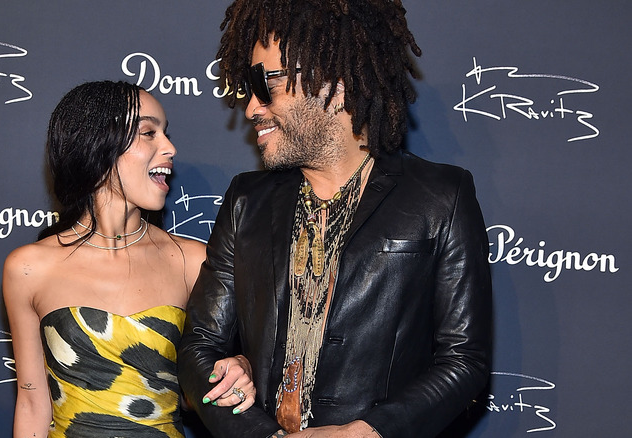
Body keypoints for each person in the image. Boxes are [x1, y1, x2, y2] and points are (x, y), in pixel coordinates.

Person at [178, 1, 492, 437]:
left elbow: (464, 362)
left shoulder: (440, 197)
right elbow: (199, 347)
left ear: (334, 84)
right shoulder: (246, 201)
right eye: (246, 89)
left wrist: (364, 432)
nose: (251, 108)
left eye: (266, 83)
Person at [3, 80, 256, 438]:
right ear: (98, 145)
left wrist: (239, 367)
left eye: (165, 133)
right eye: (148, 133)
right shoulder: (29, 268)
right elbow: (31, 404)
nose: (170, 147)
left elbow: (198, 392)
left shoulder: (192, 261)